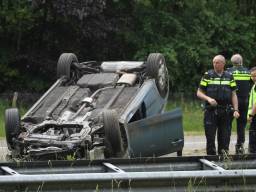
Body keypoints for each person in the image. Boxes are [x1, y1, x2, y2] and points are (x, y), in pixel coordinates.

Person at [197, 55, 240, 155]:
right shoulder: (208, 75)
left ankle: (224, 160)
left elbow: (234, 94)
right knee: (210, 138)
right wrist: (208, 98)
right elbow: (199, 93)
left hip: (225, 111)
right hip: (210, 111)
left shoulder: (229, 76)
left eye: (217, 62)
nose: (215, 64)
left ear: (223, 64)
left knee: (224, 138)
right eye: (214, 62)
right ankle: (211, 161)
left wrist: (236, 110)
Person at [227, 54, 251, 154]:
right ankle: (239, 149)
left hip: (231, 102)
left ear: (232, 62)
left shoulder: (228, 72)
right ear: (241, 61)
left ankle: (224, 148)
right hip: (245, 102)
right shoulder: (248, 72)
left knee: (227, 126)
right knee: (241, 126)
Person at [247, 67, 256, 153]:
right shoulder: (254, 85)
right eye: (252, 76)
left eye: (255, 76)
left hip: (254, 115)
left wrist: (251, 115)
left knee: (253, 135)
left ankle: (253, 155)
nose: (253, 78)